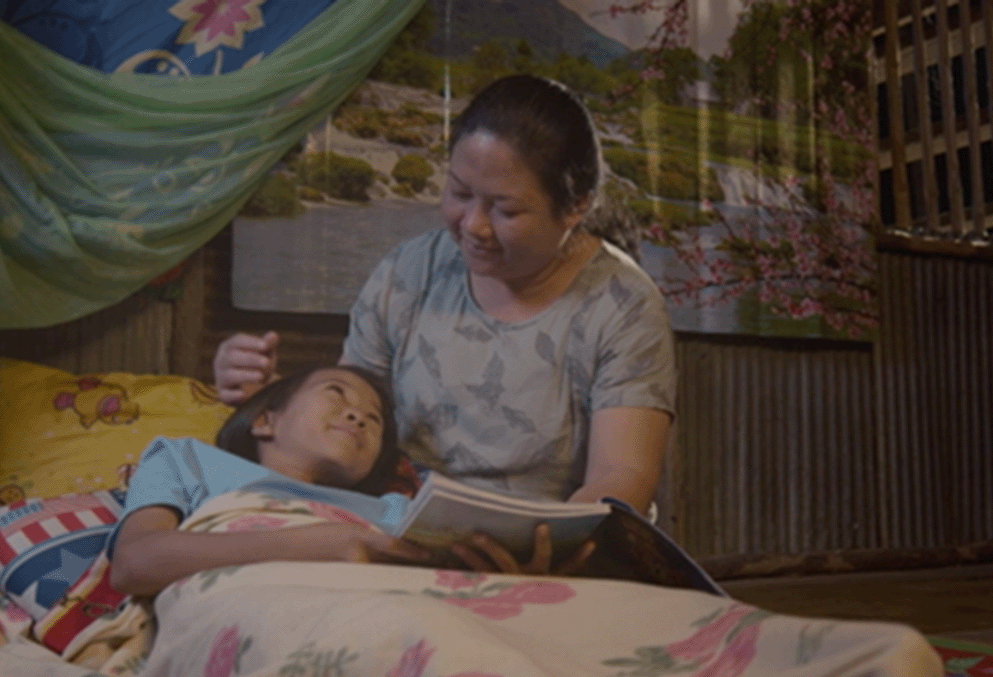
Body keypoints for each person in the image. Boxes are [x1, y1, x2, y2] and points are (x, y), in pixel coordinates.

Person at [214, 74, 676, 524]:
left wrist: (544, 552)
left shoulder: (623, 305)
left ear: (576, 207)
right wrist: (267, 397)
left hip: (556, 548)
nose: (473, 225)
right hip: (400, 532)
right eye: (459, 192)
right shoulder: (408, 272)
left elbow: (622, 475)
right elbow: (355, 430)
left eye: (505, 209)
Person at [108, 364, 432, 596]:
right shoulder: (189, 459)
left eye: (374, 419)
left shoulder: (394, 510)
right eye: (335, 393)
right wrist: (321, 545)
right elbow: (133, 563)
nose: (358, 416)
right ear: (265, 420)